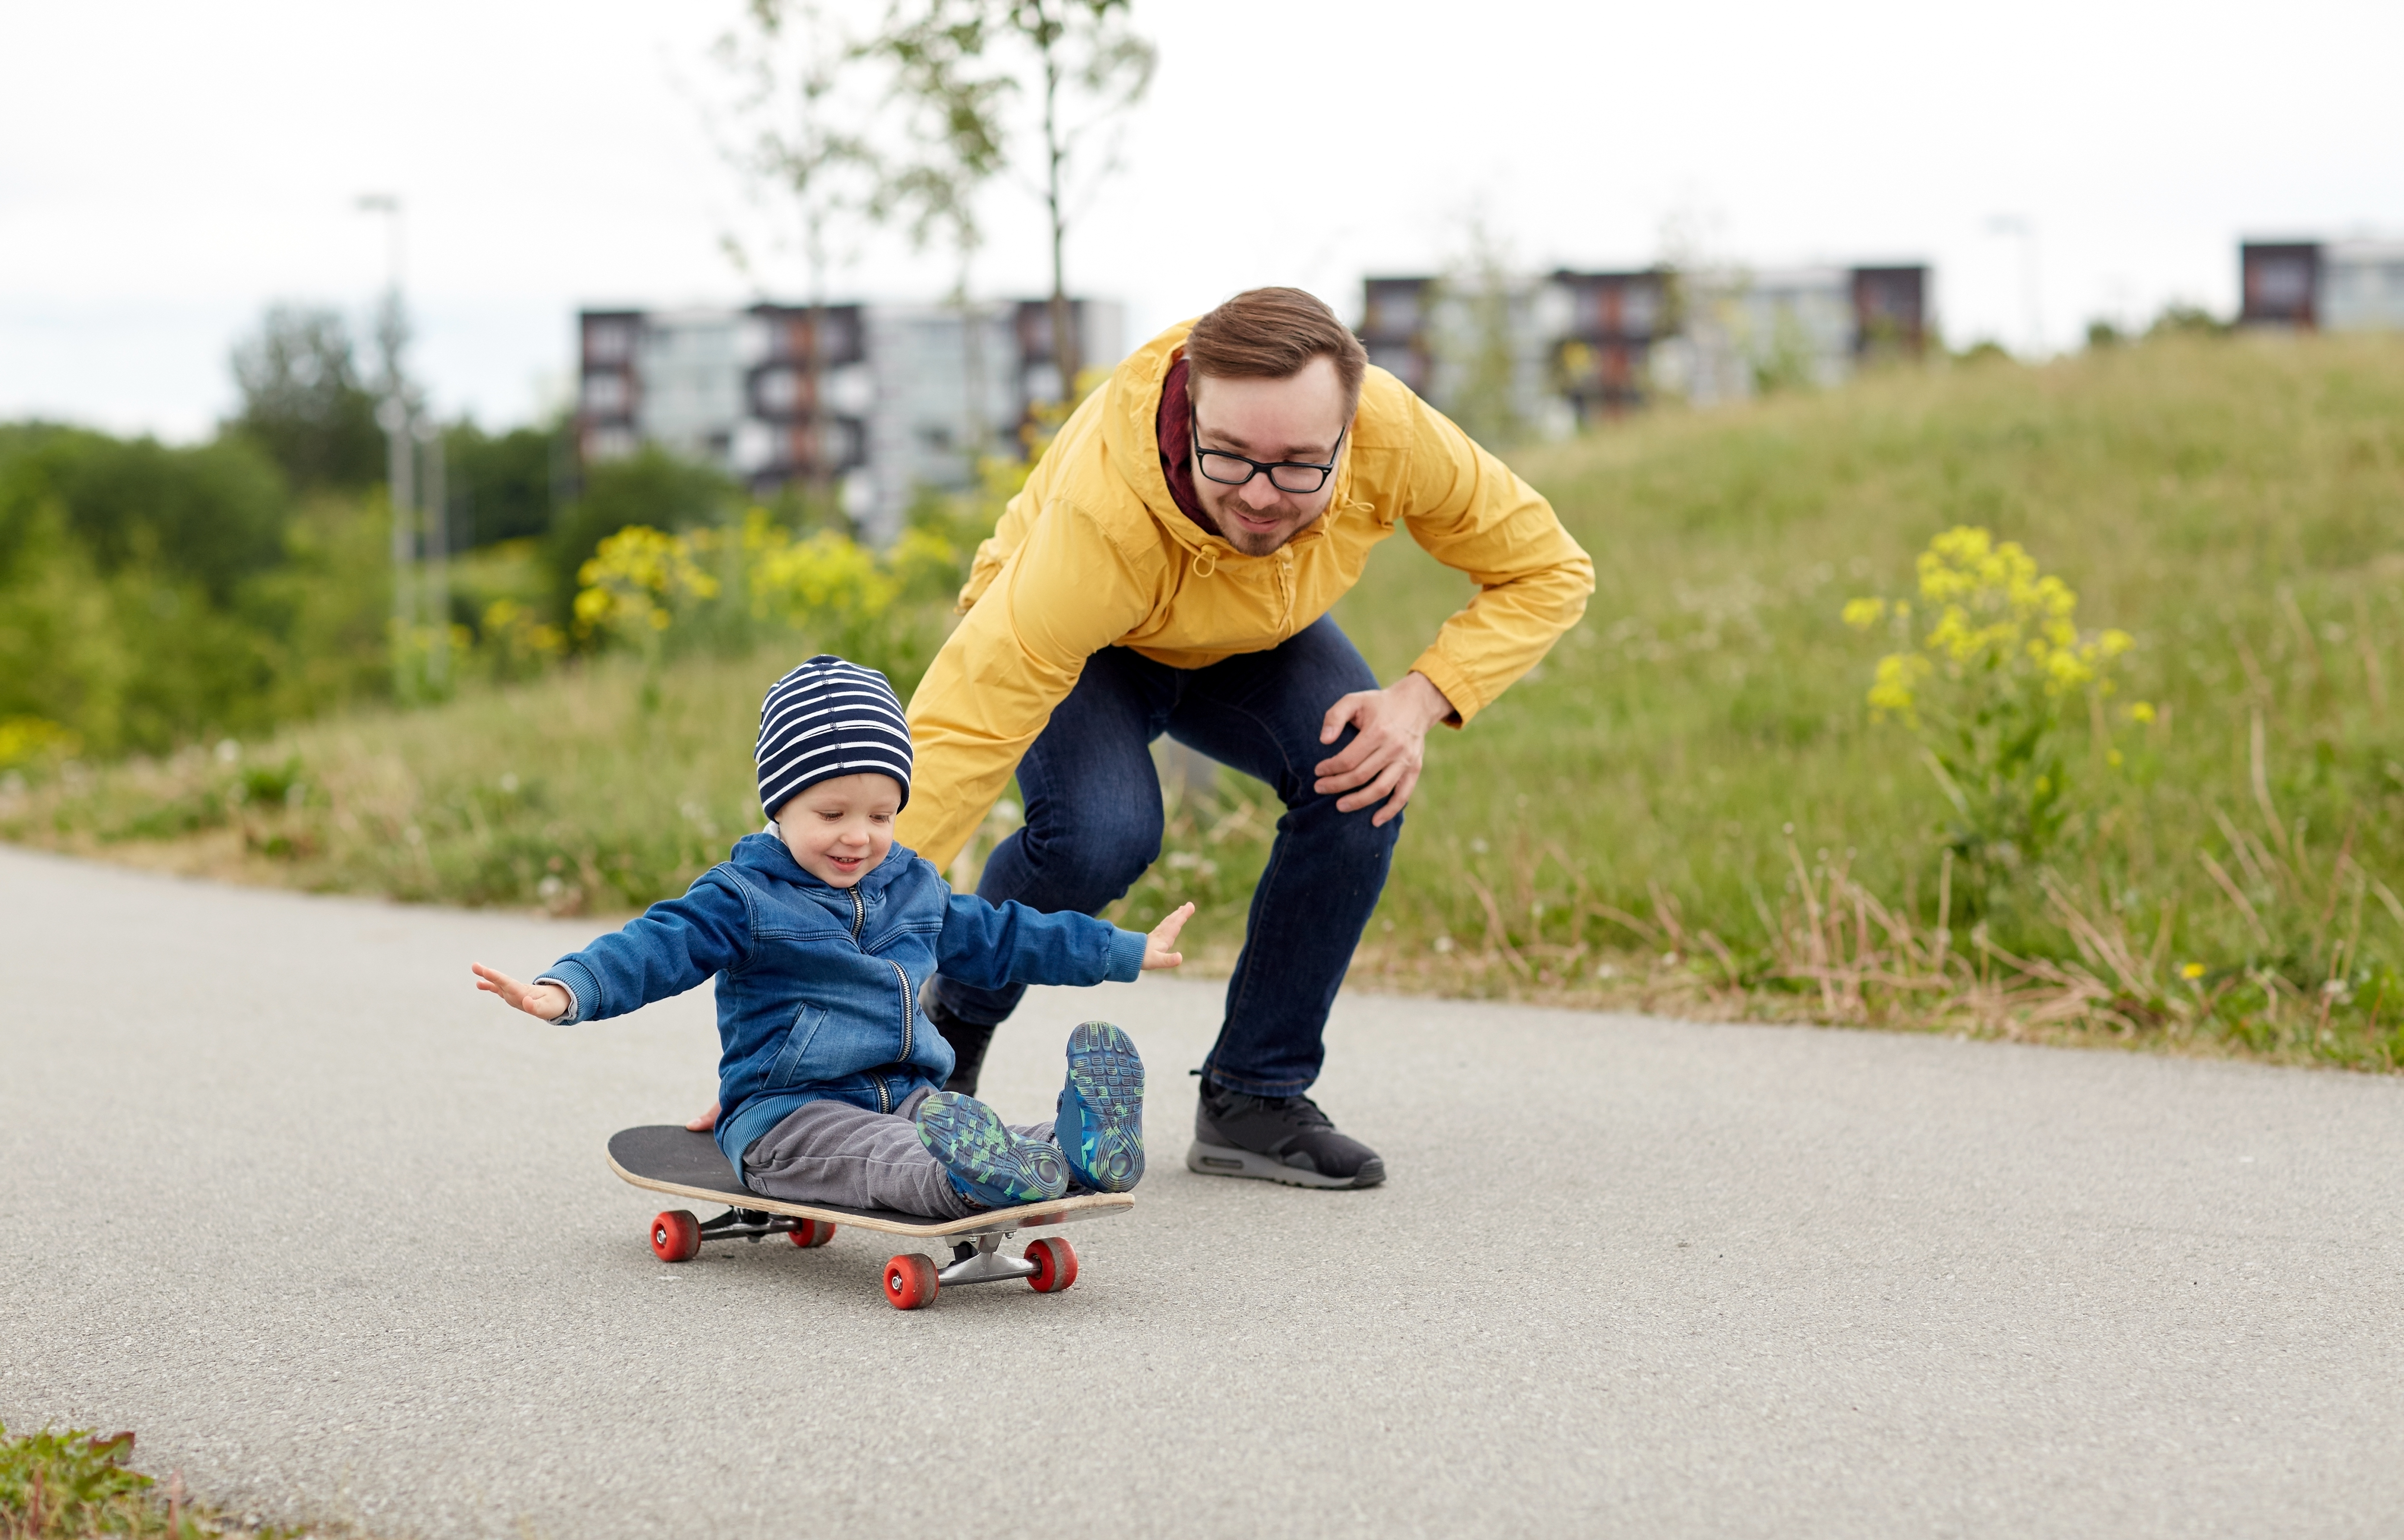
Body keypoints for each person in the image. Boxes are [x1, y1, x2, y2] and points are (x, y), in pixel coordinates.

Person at [900, 288, 1595, 1191]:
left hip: (1253, 631)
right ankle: (939, 1037)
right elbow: (959, 737)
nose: (1262, 497)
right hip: (1098, 637)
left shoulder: (1397, 433)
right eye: (1229, 458)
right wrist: (821, 960)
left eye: (1301, 466)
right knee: (1101, 835)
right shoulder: (1097, 524)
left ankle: (1253, 1096)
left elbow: (1546, 567)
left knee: (1361, 772)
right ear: (1191, 405)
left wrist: (1422, 699)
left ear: (1353, 430)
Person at [470, 654, 1194, 1218]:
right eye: (833, 813)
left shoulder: (914, 887)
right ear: (779, 806)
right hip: (788, 1117)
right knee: (881, 1154)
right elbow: (658, 945)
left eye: (882, 815)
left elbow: (1010, 937)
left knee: (958, 1128)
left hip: (908, 1094)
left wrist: (1124, 951)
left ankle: (1078, 1147)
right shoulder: (742, 898)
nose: (860, 836)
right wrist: (568, 989)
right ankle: (969, 1183)